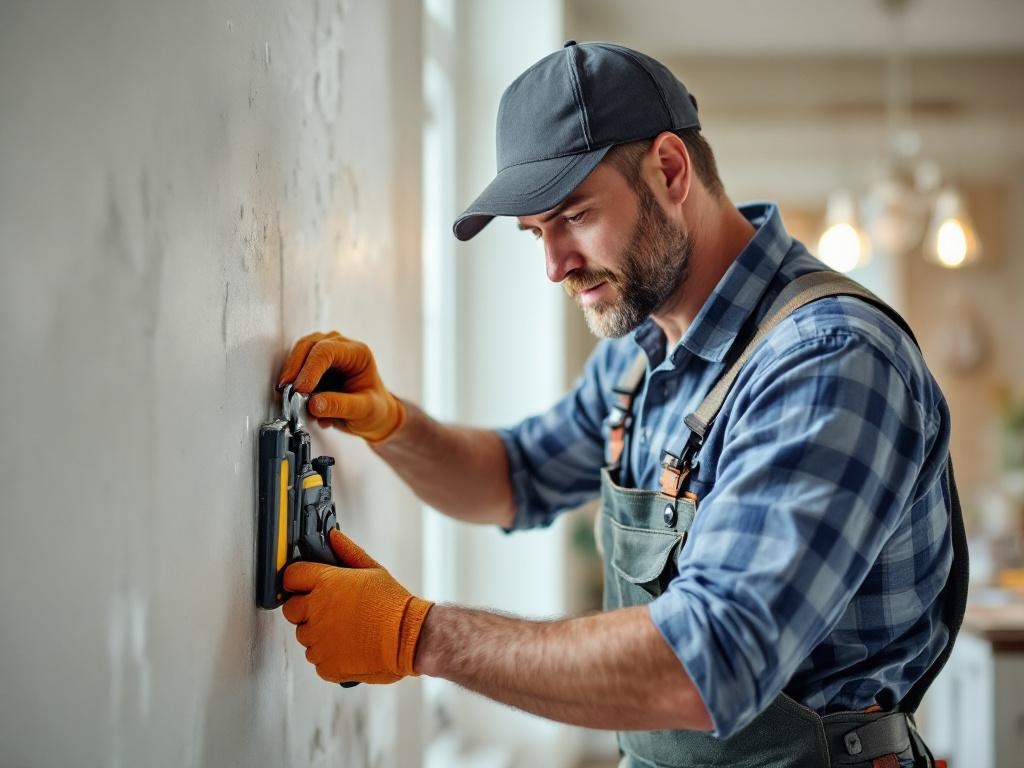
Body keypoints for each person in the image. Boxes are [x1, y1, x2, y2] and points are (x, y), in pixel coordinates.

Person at [276, 42, 965, 767]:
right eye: (536, 234)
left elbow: (712, 659)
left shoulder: (827, 360)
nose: (555, 266)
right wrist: (390, 423)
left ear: (670, 170)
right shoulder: (638, 359)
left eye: (573, 216)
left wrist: (416, 636)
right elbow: (512, 477)